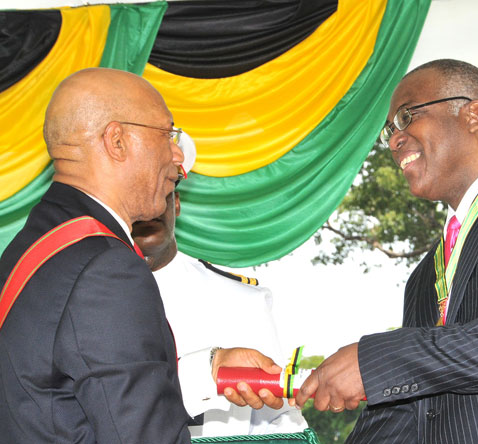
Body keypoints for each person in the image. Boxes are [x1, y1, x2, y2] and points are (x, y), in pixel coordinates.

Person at [294, 59, 478, 443]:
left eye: (406, 117)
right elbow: (410, 411)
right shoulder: (424, 277)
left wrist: (373, 360)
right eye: (389, 129)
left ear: (472, 114)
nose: (392, 140)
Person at [0, 68, 283, 444]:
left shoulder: (31, 250)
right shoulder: (105, 267)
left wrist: (208, 367)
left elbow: (66, 399)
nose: (177, 153)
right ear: (116, 141)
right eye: (168, 134)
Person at [132, 184, 307, 437]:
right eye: (134, 193)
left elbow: (279, 419)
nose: (150, 207)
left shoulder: (241, 300)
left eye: (161, 191)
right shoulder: (76, 298)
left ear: (176, 201)